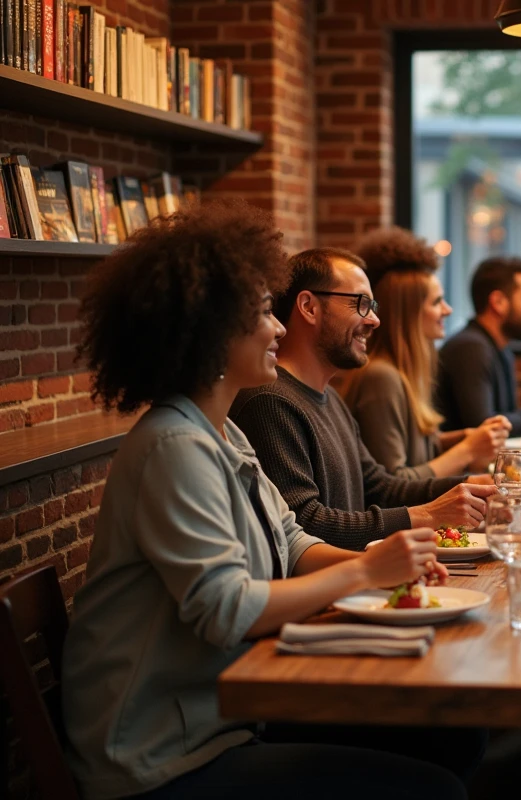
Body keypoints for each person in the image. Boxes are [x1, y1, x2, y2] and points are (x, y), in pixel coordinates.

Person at [62, 201, 466, 799]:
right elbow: (225, 610)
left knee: (453, 741)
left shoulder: (222, 431)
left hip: (220, 723)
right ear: (209, 330)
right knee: (436, 786)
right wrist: (364, 569)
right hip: (158, 759)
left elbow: (293, 541)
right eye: (260, 312)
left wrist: (391, 558)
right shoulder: (174, 446)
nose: (279, 327)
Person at [231, 248, 496, 552]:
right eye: (362, 304)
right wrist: (428, 515)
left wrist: (467, 487)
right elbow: (304, 524)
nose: (374, 320)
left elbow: (379, 488)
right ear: (308, 307)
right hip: (331, 597)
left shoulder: (328, 396)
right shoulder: (270, 402)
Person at [339, 227, 511, 478]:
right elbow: (393, 483)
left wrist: (465, 438)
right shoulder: (381, 378)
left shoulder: (405, 373)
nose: (448, 310)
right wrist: (467, 450)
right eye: (436, 302)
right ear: (408, 315)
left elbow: (418, 451)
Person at [435, 256, 521, 435]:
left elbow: (503, 419)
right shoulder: (470, 348)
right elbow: (485, 429)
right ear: (498, 302)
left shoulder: (500, 348)